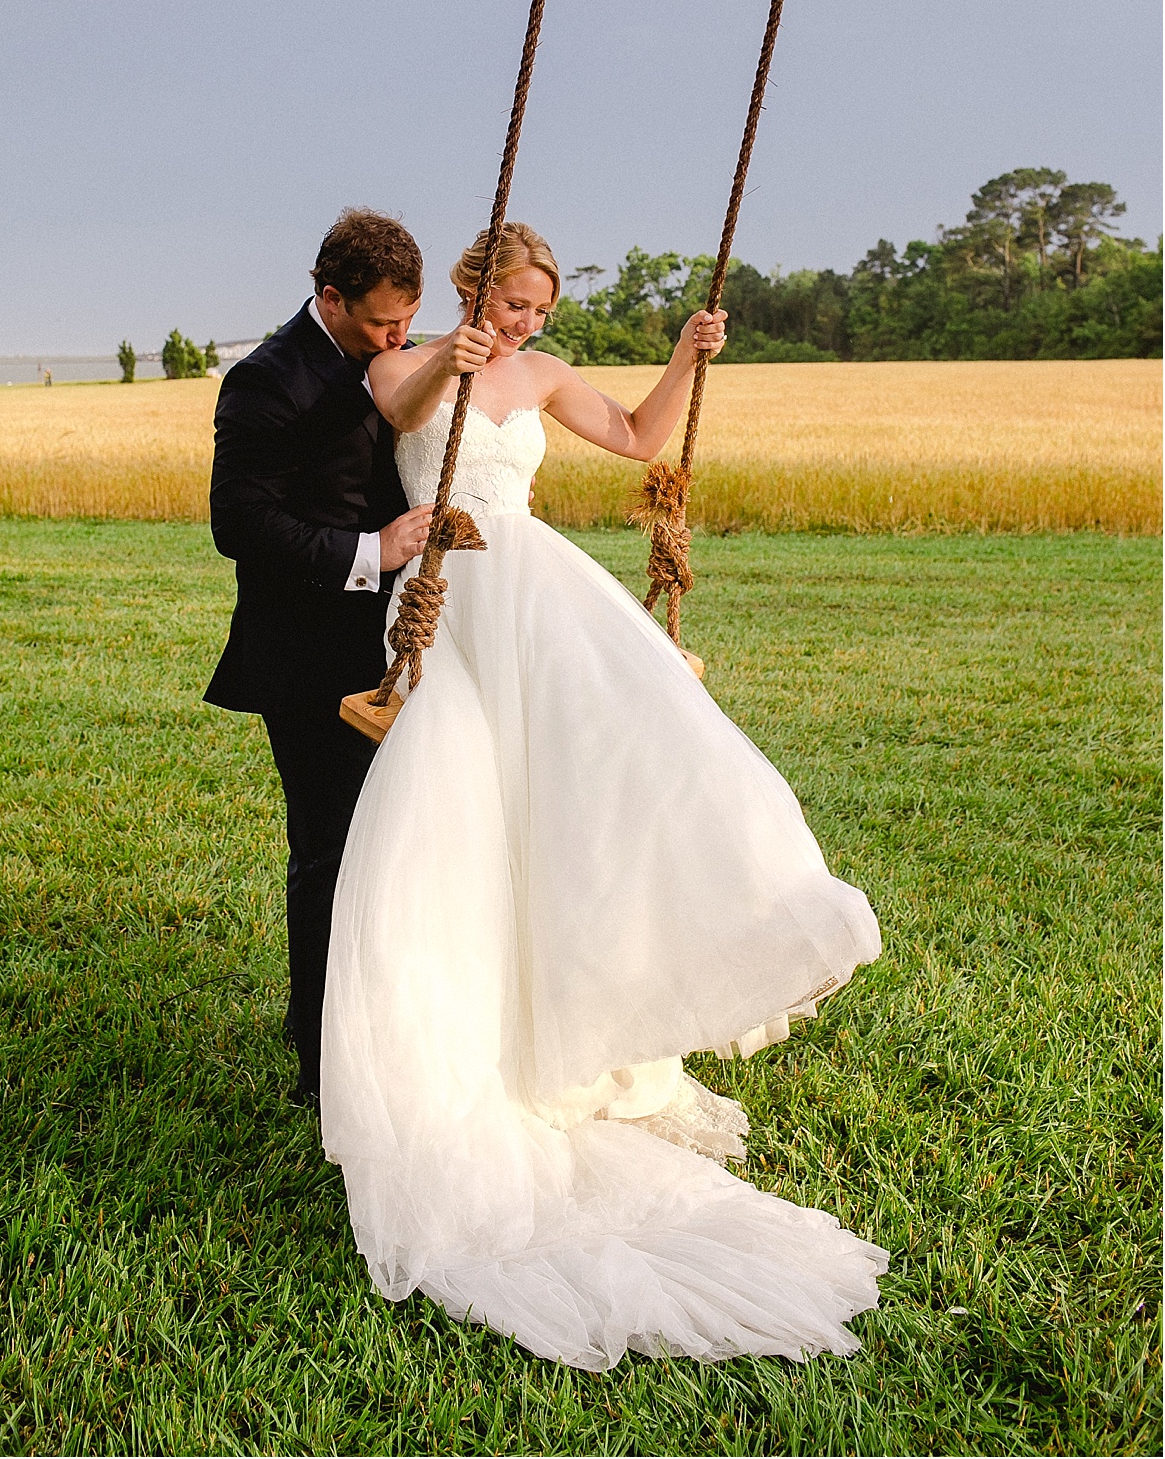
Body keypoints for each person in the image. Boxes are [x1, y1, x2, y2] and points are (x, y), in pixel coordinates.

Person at [320, 221, 887, 1369]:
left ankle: (598, 1005)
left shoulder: (535, 373)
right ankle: (462, 1044)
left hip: (540, 594)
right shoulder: (403, 363)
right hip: (453, 600)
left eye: (538, 311)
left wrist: (685, 356)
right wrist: (457, 352)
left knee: (599, 791)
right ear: (476, 291)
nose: (529, 327)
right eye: (515, 306)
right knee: (456, 821)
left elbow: (634, 438)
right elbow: (391, 413)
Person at [204, 209, 435, 1101]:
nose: (397, 340)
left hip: (406, 645)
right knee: (331, 853)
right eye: (383, 324)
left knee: (406, 845)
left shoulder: (401, 356)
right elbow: (241, 525)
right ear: (330, 297)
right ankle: (321, 1063)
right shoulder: (264, 381)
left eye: (408, 323)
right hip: (307, 656)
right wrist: (372, 554)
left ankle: (384, 1027)